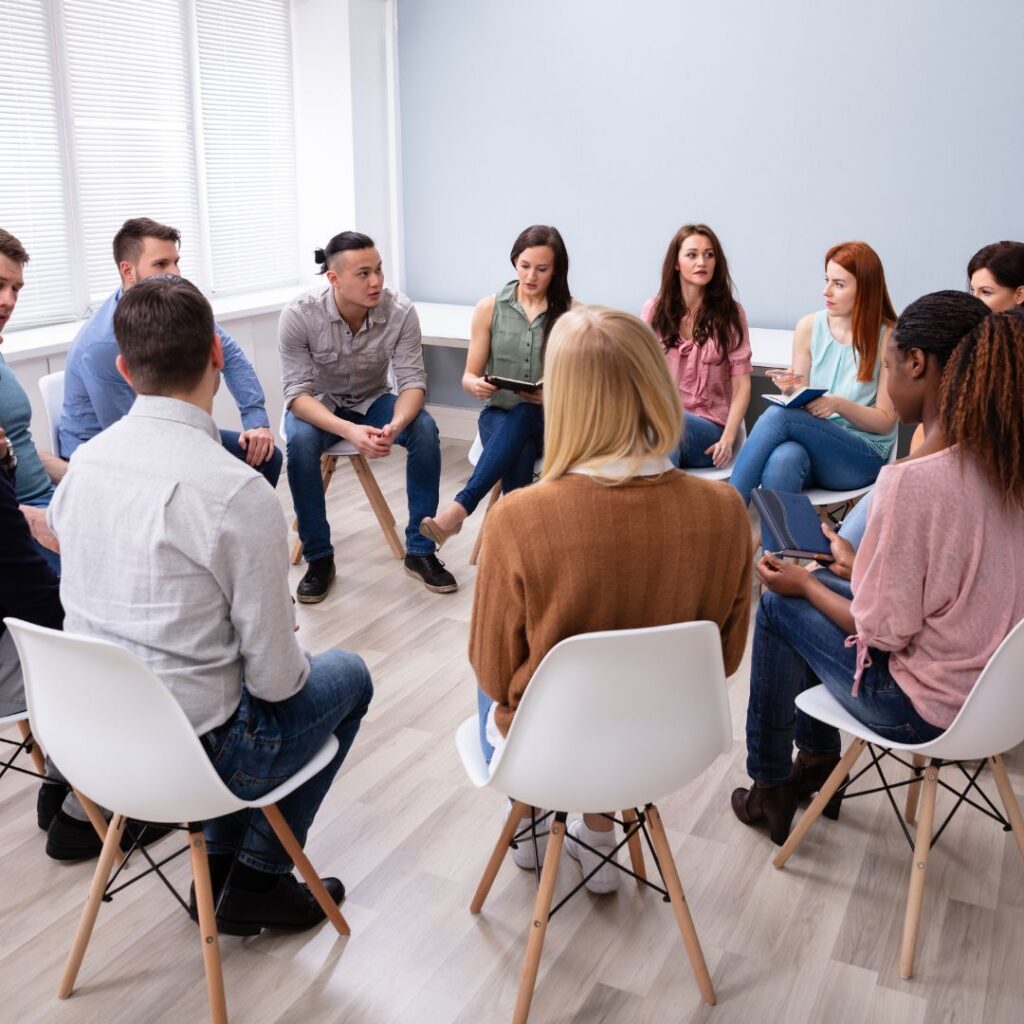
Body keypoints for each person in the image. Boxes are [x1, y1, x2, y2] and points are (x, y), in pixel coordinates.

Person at [49, 276, 373, 934]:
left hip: (92, 747)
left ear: (122, 368)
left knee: (219, 686)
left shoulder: (82, 467)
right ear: (217, 358)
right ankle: (257, 877)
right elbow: (278, 683)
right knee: (348, 676)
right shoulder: (234, 491)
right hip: (194, 760)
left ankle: (223, 869)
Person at [469, 306, 751, 893]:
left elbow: (496, 675)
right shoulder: (725, 512)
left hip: (552, 744)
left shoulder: (519, 518)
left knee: (500, 664)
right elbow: (723, 659)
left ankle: (534, 817)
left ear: (563, 398)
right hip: (668, 738)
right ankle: (601, 828)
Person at [733, 293, 1024, 846]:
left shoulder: (913, 481)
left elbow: (883, 631)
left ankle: (772, 784)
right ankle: (816, 765)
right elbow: (947, 586)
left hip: (923, 710)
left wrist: (806, 585)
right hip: (999, 700)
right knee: (822, 578)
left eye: (888, 365)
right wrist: (856, 561)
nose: (887, 380)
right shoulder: (1005, 463)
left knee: (780, 602)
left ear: (917, 364)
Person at [279, 230, 455, 601]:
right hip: (320, 405)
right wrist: (351, 430)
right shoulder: (299, 314)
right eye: (363, 273)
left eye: (378, 270)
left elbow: (412, 382)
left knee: (424, 429)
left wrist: (396, 424)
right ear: (334, 278)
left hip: (374, 400)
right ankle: (319, 558)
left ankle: (420, 551)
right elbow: (296, 395)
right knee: (300, 441)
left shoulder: (400, 310)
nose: (375, 281)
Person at [60, 217, 281, 487]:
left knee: (265, 457)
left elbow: (232, 356)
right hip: (104, 457)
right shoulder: (102, 344)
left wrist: (255, 420)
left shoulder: (172, 305)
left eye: (176, 261)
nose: (175, 272)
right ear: (128, 271)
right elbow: (130, 437)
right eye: (161, 264)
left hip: (158, 430)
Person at [419, 225, 572, 547]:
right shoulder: (489, 308)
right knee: (520, 441)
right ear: (515, 262)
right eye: (524, 266)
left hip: (552, 421)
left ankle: (459, 510)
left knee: (528, 414)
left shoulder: (571, 313)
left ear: (556, 271)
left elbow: (584, 385)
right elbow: (469, 376)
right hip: (498, 415)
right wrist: (476, 386)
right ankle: (524, 548)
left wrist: (552, 394)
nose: (531, 276)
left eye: (542, 269)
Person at [729, 241, 898, 504]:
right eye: (827, 280)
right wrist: (790, 389)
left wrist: (838, 405)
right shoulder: (809, 326)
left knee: (780, 417)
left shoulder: (888, 338)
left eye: (839, 284)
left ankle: (727, 513)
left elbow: (886, 420)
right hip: (813, 448)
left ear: (865, 290)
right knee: (783, 459)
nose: (826, 291)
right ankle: (778, 546)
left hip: (860, 457)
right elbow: (803, 399)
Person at [642, 223, 751, 468]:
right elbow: (638, 375)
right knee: (660, 428)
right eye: (692, 255)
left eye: (709, 255)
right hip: (661, 428)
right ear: (676, 263)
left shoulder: (732, 314)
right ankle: (666, 504)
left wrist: (728, 438)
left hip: (709, 435)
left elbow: (742, 385)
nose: (701, 261)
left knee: (665, 422)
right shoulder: (654, 311)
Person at [0, 228, 65, 572]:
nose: (9, 300)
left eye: (16, 289)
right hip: (18, 517)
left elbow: (17, 443)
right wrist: (27, 518)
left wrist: (78, 474)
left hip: (46, 500)